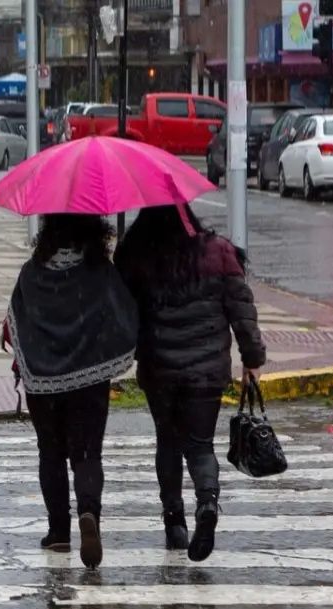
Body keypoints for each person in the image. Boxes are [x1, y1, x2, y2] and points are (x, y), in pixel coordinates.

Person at [113, 204, 266, 562]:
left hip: (158, 368)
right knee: (200, 446)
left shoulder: (138, 256)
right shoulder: (218, 252)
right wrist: (252, 358)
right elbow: (241, 309)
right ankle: (208, 503)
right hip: (206, 372)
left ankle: (174, 523)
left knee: (167, 441)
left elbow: (121, 308)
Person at [2, 214, 138, 570]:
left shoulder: (32, 272)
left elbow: (15, 321)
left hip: (42, 383)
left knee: (50, 452)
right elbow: (123, 316)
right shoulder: (99, 271)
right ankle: (89, 511)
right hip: (90, 382)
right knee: (87, 454)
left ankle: (59, 531)